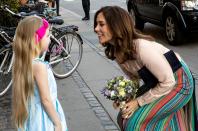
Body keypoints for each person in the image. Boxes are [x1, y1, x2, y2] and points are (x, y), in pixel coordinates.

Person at [94, 6, 198, 131]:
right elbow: (134, 77)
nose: (96, 29)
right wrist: (124, 98)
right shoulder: (117, 50)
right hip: (158, 82)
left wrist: (138, 102)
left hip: (179, 83)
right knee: (123, 117)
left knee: (133, 123)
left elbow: (168, 81)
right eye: (96, 24)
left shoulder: (142, 48)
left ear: (116, 25)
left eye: (101, 24)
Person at [12, 16, 68, 131]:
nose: (50, 39)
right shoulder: (39, 66)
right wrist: (57, 123)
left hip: (32, 117)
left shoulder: (24, 62)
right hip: (45, 118)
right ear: (36, 39)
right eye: (47, 36)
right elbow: (46, 100)